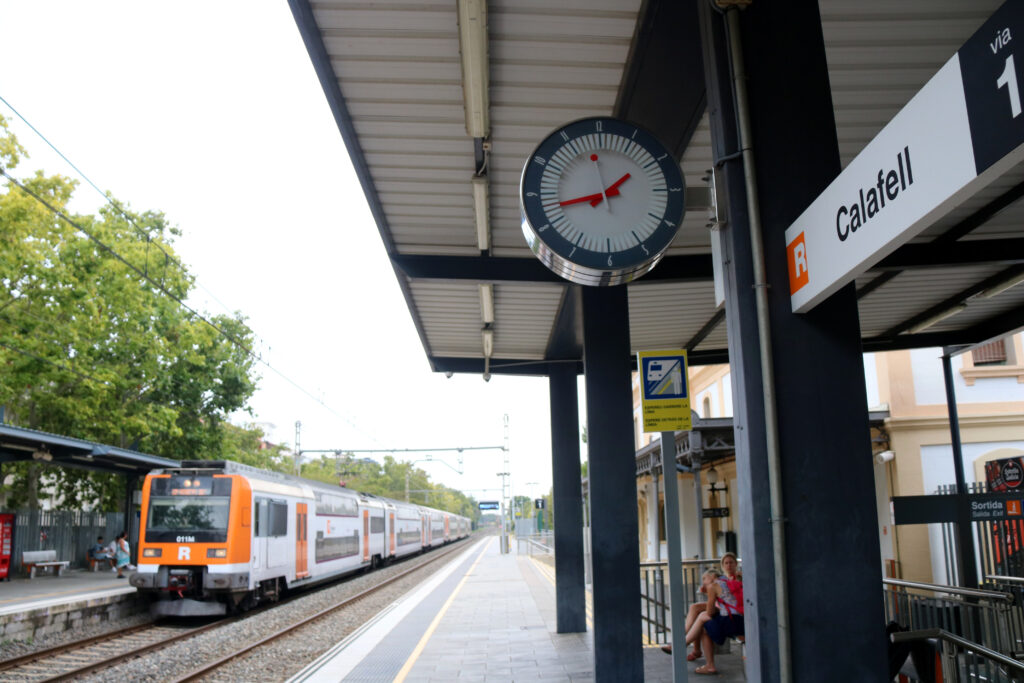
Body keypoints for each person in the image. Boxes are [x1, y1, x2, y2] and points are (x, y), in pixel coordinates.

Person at [662, 552, 742, 659]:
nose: (729, 565)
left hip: (731, 611)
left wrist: (711, 592)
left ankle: (683, 645)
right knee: (695, 608)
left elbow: (731, 598)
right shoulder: (724, 578)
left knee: (701, 614)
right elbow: (724, 597)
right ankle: (688, 646)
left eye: (731, 563)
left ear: (736, 564)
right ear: (722, 566)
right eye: (726, 563)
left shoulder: (738, 577)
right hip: (725, 608)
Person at [683, 567, 744, 675]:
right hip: (741, 620)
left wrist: (710, 593)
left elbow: (710, 611)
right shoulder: (728, 581)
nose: (703, 582)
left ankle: (685, 644)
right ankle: (686, 643)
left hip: (731, 622)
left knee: (703, 621)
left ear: (712, 577)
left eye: (704, 579)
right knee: (702, 619)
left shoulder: (714, 585)